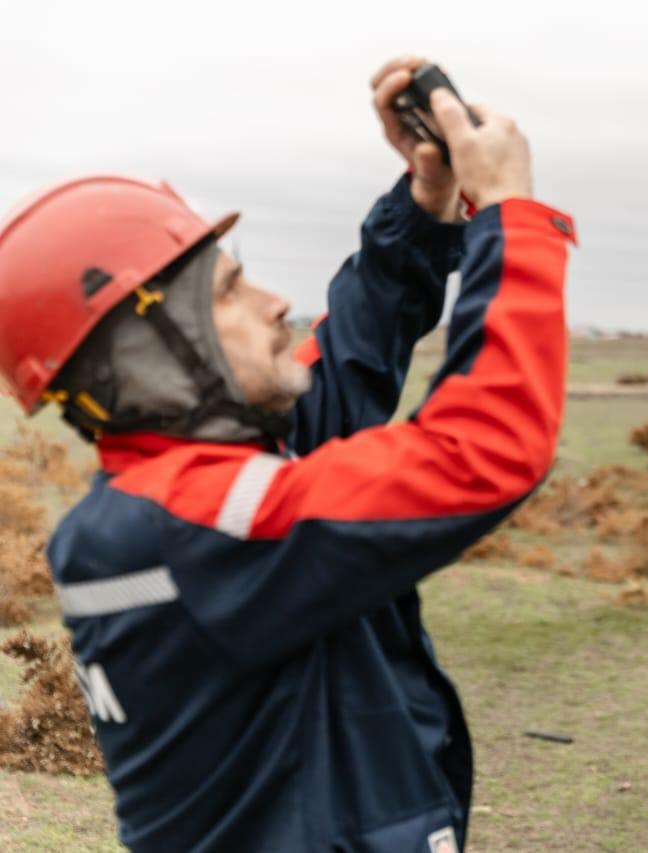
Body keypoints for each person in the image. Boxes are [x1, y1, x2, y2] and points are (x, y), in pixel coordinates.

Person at [0, 56, 575, 852]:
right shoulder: (200, 523)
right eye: (231, 291)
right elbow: (483, 447)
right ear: (147, 352)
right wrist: (511, 214)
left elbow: (333, 378)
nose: (276, 303)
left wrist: (424, 206)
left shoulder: (163, 502)